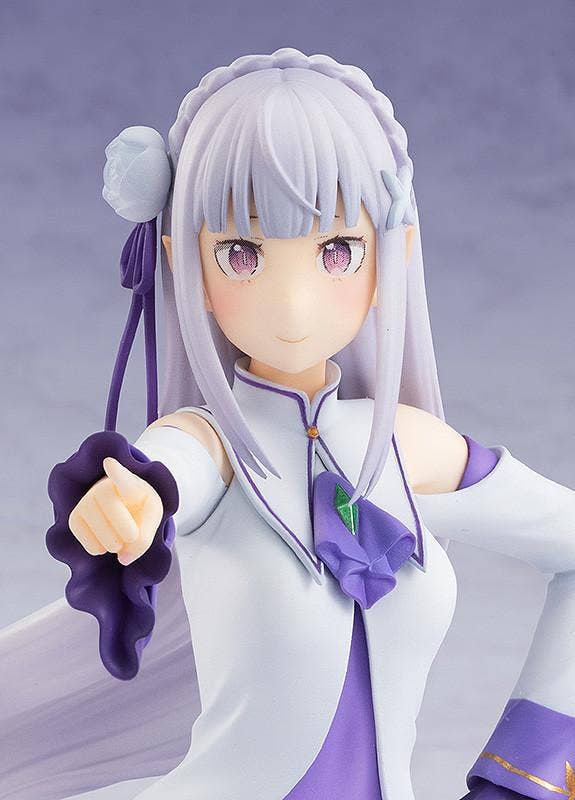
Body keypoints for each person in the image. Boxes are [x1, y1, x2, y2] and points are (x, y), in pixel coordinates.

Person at [1, 47, 574, 800]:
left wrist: (525, 773)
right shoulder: (212, 445)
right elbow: (169, 468)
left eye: (338, 250)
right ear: (185, 264)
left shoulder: (406, 448)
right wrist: (128, 500)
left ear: (392, 256)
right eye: (241, 254)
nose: (293, 303)